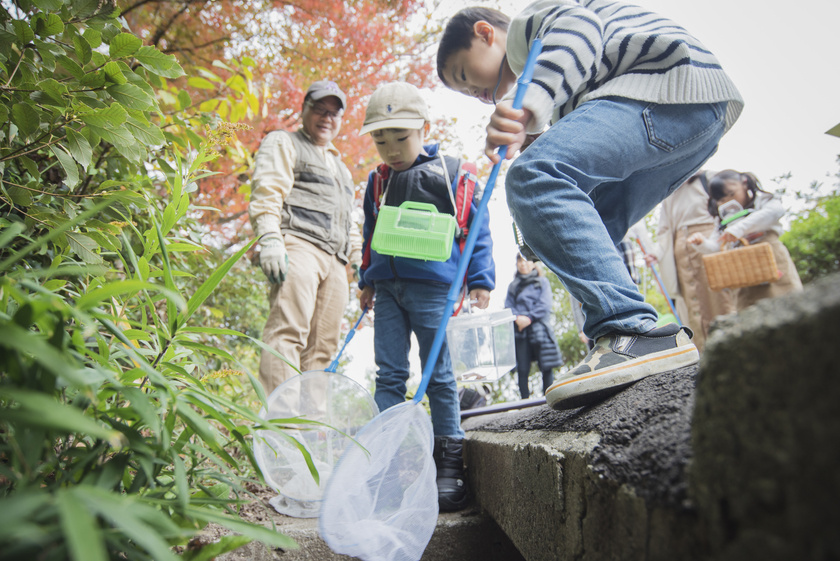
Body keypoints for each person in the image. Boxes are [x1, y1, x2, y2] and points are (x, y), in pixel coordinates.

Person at [436, 1, 743, 410]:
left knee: (532, 175)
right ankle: (629, 343)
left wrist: (529, 111)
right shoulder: (562, 85)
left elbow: (579, 29)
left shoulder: (527, 31)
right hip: (695, 115)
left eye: (463, 74)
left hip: (662, 83)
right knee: (588, 217)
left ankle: (629, 328)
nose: (471, 92)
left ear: (485, 34)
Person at [357, 82, 495, 512]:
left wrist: (480, 280)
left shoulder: (456, 174)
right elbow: (369, 234)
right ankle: (384, 465)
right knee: (390, 377)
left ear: (424, 129)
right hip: (388, 290)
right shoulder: (378, 180)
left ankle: (449, 465)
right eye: (381, 139)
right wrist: (366, 280)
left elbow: (477, 230)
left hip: (434, 289)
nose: (392, 149)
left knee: (439, 376)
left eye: (401, 137)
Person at [249, 80, 362, 396]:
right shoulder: (284, 143)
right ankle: (281, 431)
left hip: (336, 263)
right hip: (299, 245)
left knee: (322, 351)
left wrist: (358, 261)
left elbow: (348, 222)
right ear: (303, 109)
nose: (327, 118)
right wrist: (270, 239)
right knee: (287, 334)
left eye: (334, 113)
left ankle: (311, 435)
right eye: (319, 110)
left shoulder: (341, 168)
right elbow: (268, 192)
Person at [640, 171, 736, 353]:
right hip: (681, 257)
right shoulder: (669, 192)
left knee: (720, 302)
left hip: (708, 246)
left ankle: (731, 351)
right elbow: (664, 231)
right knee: (693, 312)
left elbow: (725, 210)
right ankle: (705, 359)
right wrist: (656, 254)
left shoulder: (707, 179)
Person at [687, 170, 802, 310]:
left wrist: (738, 229)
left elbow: (775, 212)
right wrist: (701, 243)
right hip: (743, 272)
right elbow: (716, 247)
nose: (729, 201)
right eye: (722, 200)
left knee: (789, 303)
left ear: (744, 184)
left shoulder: (762, 201)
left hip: (773, 261)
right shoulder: (723, 219)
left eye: (731, 194)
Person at [505, 253, 563, 399]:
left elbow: (545, 304)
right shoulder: (513, 286)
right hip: (520, 331)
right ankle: (524, 402)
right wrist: (518, 318)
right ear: (517, 264)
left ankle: (549, 398)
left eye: (526, 261)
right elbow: (509, 306)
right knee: (522, 369)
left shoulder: (542, 282)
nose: (523, 264)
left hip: (539, 328)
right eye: (520, 261)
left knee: (546, 365)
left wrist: (529, 318)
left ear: (532, 263)